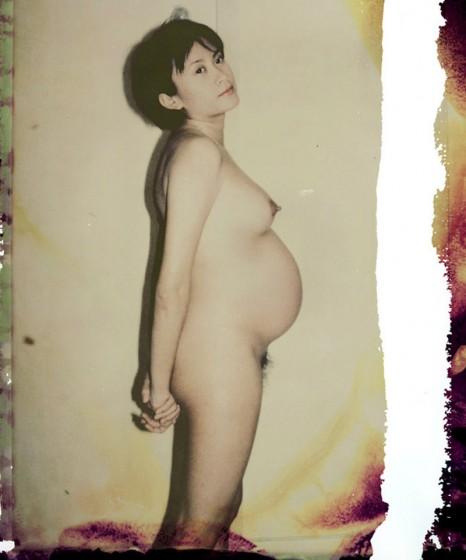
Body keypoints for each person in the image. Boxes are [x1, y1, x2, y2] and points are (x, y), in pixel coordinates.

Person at [125, 14, 302, 550]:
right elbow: (170, 282)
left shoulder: (198, 149)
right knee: (197, 529)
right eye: (198, 69)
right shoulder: (197, 153)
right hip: (215, 354)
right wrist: (157, 384)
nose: (221, 73)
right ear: (171, 98)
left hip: (223, 350)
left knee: (216, 515)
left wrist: (156, 372)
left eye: (217, 59)